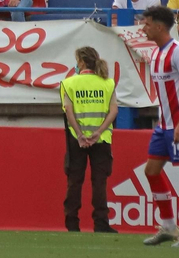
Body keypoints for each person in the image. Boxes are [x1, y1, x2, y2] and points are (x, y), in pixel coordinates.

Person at [139, 5, 179, 248]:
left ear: (158, 26)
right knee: (151, 170)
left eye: (146, 23)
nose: (143, 27)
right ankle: (168, 226)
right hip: (164, 124)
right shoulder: (156, 53)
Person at [60, 45, 118, 234]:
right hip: (101, 140)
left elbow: (69, 111)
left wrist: (80, 135)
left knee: (75, 181)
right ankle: (101, 224)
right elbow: (113, 111)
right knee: (99, 182)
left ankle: (72, 224)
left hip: (76, 140)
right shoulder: (108, 83)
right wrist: (99, 132)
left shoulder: (68, 83)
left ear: (82, 62)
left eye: (77, 61)